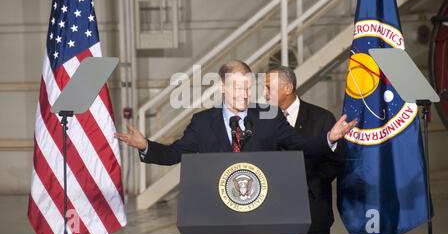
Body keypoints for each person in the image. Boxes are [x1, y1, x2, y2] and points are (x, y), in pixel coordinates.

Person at [115, 59, 355, 167]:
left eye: (248, 87)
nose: (244, 94)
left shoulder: (268, 116)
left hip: (263, 212)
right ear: (222, 87)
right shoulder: (202, 122)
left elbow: (301, 145)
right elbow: (174, 154)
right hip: (218, 213)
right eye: (237, 87)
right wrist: (146, 145)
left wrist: (328, 138)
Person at [264, 65, 345, 234]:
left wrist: (308, 182)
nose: (264, 93)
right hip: (271, 212)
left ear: (288, 88)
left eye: (268, 87)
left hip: (313, 211)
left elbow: (337, 161)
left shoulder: (321, 118)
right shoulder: (261, 120)